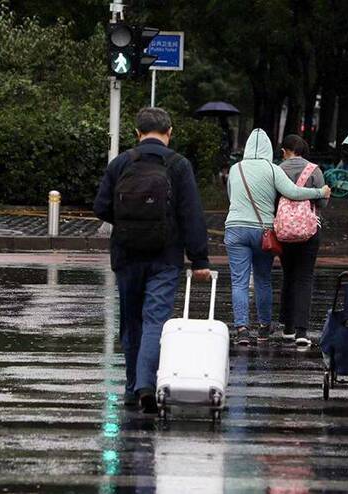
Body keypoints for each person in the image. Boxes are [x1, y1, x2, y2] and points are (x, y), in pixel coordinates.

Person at [93, 107, 211, 413]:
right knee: (154, 320)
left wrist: (128, 221)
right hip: (165, 256)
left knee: (130, 321)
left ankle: (133, 388)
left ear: (137, 133)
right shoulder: (178, 165)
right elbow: (191, 214)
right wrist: (199, 260)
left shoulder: (121, 163)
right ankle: (146, 383)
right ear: (169, 133)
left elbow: (101, 207)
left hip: (126, 255)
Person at [225, 129, 331, 346]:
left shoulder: (235, 169)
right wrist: (319, 193)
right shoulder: (272, 170)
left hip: (235, 228)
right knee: (263, 279)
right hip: (263, 230)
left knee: (239, 281)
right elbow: (293, 192)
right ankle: (264, 327)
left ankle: (242, 329)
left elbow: (230, 195)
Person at [277, 135, 328, 348]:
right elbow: (322, 202)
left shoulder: (277, 170)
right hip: (309, 230)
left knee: (288, 274)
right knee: (305, 277)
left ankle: (287, 327)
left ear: (284, 151)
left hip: (284, 230)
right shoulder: (314, 170)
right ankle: (301, 331)